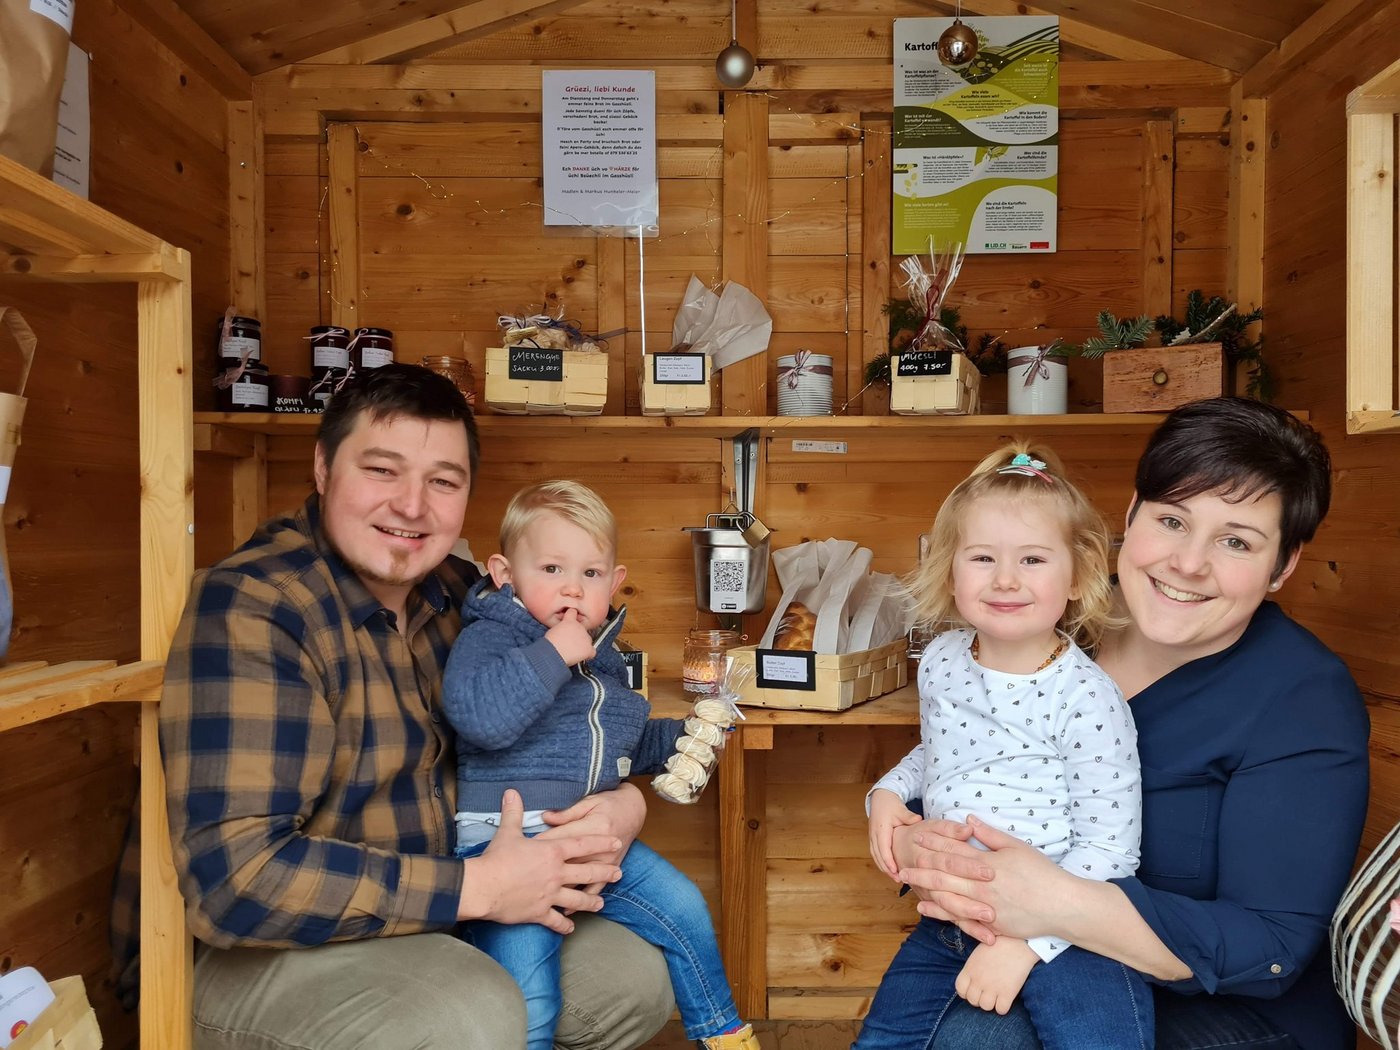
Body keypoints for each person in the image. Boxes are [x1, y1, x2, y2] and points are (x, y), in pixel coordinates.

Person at [158, 364, 676, 1050]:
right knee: (468, 1019)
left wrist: (625, 802)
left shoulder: (470, 596)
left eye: (443, 481)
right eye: (382, 469)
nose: (412, 505)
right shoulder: (257, 605)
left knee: (632, 980)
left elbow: (574, 721)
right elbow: (239, 881)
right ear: (322, 468)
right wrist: (481, 888)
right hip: (277, 948)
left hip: (444, 911)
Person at [884, 397, 1371, 1050]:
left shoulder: (1302, 697)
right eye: (1172, 520)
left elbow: (1270, 947)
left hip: (1218, 1008)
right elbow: (976, 753)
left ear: (1282, 566)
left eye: (1235, 541)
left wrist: (1051, 910)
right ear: (1132, 513)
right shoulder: (1050, 614)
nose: (1188, 563)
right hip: (1034, 949)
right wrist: (907, 827)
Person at [441, 479, 759, 1050]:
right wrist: (554, 654)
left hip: (589, 840)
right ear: (503, 573)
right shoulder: (491, 636)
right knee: (530, 991)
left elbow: (619, 744)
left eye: (590, 575)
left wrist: (689, 733)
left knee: (684, 908)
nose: (572, 589)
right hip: (507, 847)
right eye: (552, 570)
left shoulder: (602, 654)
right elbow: (482, 720)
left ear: (613, 584)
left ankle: (724, 1035)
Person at [858, 443, 1150, 1049]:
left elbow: (1111, 850)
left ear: (1078, 577)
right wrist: (887, 793)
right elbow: (944, 754)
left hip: (1073, 935)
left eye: (1034, 559)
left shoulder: (1087, 700)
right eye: (983, 557)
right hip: (951, 922)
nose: (1006, 579)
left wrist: (1026, 944)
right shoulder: (941, 661)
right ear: (950, 571)